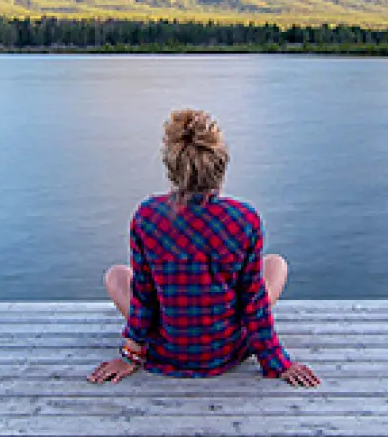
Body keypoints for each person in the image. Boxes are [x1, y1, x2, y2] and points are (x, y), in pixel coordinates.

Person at [88, 108, 320, 388]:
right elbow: (253, 300)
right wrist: (277, 362)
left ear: (172, 168)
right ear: (220, 165)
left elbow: (144, 296)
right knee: (275, 265)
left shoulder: (147, 216)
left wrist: (130, 355)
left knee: (116, 275)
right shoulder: (244, 219)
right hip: (224, 352)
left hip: (166, 350)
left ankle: (154, 341)